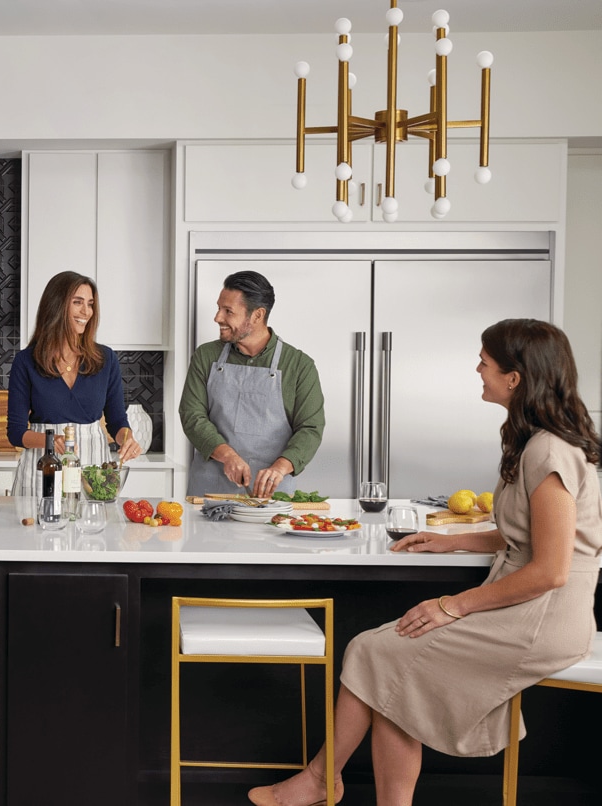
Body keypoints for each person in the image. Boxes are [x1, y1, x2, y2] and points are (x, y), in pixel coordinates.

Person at [248, 319, 602, 806]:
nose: (478, 369)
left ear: (514, 377)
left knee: (377, 655)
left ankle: (320, 779)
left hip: (544, 617)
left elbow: (551, 570)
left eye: (485, 361)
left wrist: (452, 605)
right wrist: (450, 542)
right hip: (529, 606)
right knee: (388, 665)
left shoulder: (549, 450)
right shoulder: (535, 441)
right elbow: (524, 536)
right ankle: (326, 780)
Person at [179, 270, 325, 499]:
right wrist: (227, 456)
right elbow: (192, 415)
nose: (217, 317)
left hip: (271, 496)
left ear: (257, 315)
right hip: (209, 493)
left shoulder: (299, 366)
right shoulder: (206, 356)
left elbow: (310, 429)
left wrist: (281, 466)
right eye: (219, 308)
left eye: (228, 311)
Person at [7, 271, 142, 497]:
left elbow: (117, 420)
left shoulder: (106, 359)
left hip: (93, 470)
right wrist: (51, 440)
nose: (86, 312)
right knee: (39, 528)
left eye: (90, 304)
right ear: (56, 306)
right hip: (43, 466)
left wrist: (127, 439)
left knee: (94, 530)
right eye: (77, 302)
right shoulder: (26, 362)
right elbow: (16, 432)